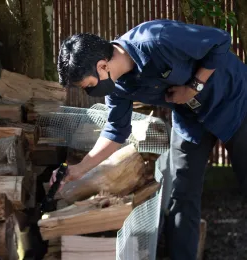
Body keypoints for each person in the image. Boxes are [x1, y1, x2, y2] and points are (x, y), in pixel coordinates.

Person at [50, 19, 247, 259]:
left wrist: (193, 86)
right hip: (191, 119)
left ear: (102, 66)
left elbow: (220, 40)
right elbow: (115, 131)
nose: (89, 93)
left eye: (88, 86)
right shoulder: (116, 87)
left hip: (234, 102)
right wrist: (79, 169)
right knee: (182, 195)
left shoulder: (157, 38)